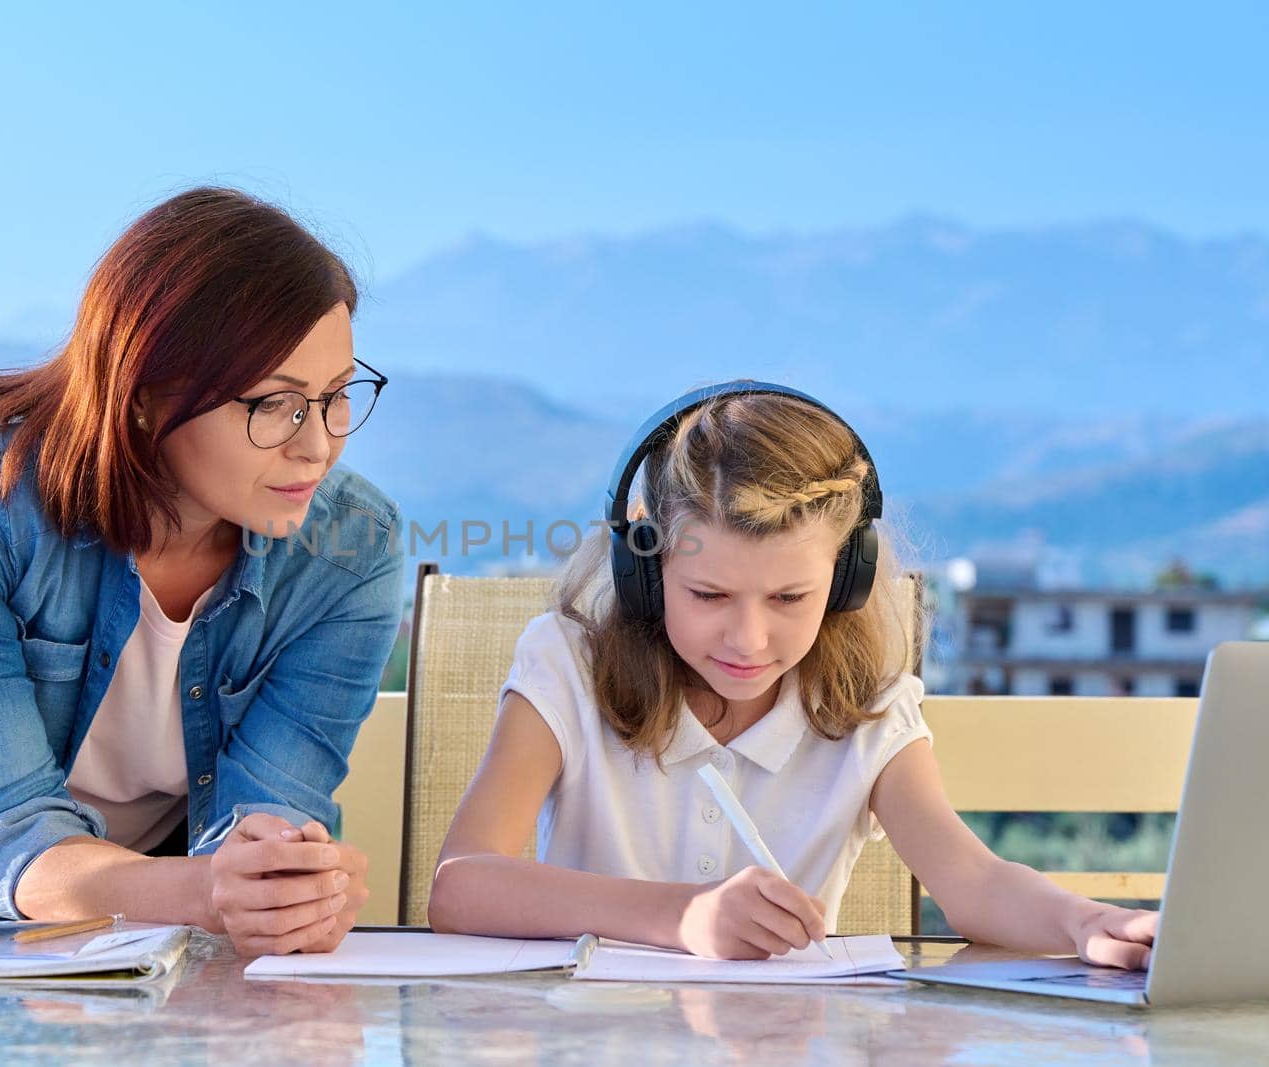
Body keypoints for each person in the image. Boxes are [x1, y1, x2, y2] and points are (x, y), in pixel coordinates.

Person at [0, 187, 401, 956]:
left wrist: (281, 882)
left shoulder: (351, 549)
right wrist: (212, 891)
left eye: (337, 396)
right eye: (275, 405)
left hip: (150, 947)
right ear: (144, 396)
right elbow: (3, 836)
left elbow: (269, 809)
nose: (319, 447)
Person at [430, 382, 1157, 969]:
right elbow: (461, 885)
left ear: (844, 580)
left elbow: (971, 882)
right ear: (646, 570)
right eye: (708, 595)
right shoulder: (566, 665)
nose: (748, 638)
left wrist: (1085, 919)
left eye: (789, 598)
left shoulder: (869, 706)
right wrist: (683, 915)